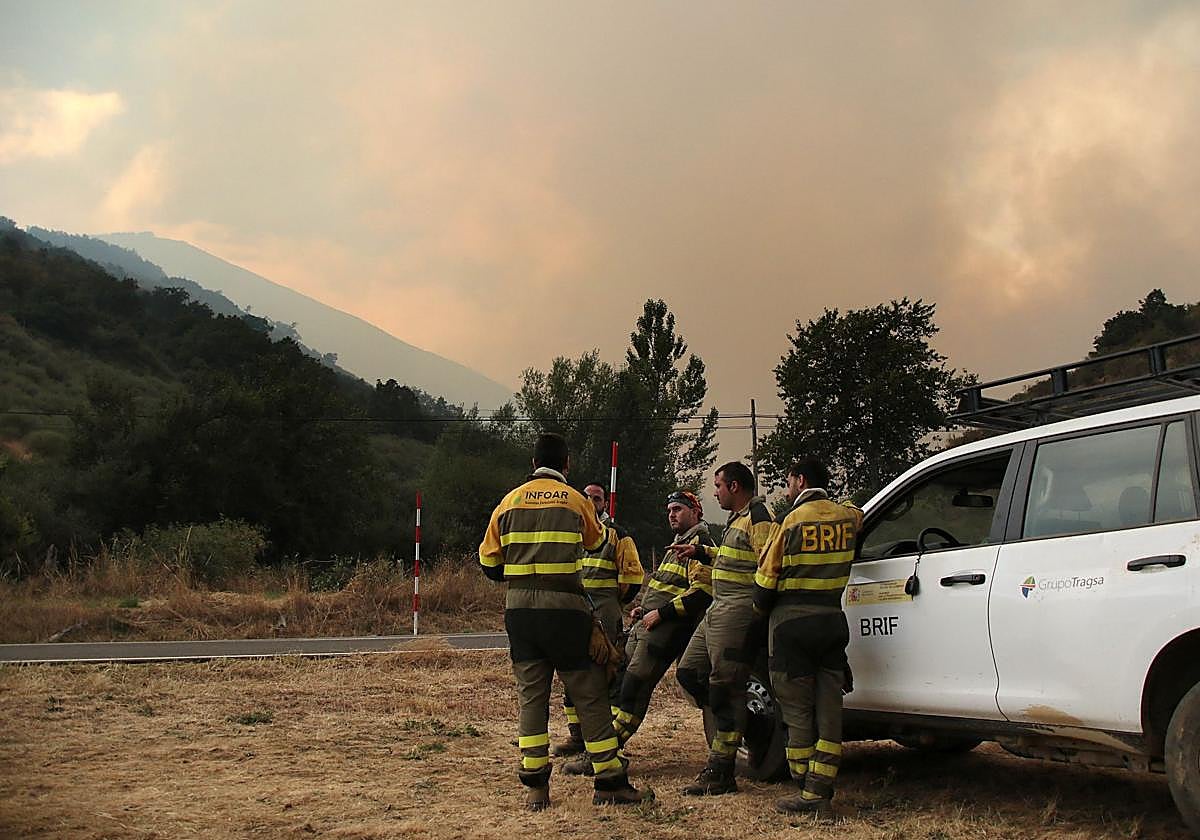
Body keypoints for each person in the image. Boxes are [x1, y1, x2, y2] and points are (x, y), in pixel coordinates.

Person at [479, 433, 646, 810]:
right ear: (566, 464)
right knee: (589, 693)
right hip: (566, 609)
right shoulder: (575, 500)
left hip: (519, 612)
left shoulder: (507, 503)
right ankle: (610, 782)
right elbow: (594, 542)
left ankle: (536, 789)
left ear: (532, 462)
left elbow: (489, 565)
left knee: (531, 698)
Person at [754, 456, 862, 817]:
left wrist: (759, 613)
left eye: (788, 482)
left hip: (792, 625)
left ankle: (806, 789)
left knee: (797, 709)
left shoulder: (790, 522)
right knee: (830, 709)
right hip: (833, 621)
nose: (787, 490)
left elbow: (765, 583)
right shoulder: (847, 517)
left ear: (800, 481)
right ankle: (823, 787)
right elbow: (859, 512)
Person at [674, 462, 775, 795]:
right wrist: (701, 551)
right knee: (688, 672)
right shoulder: (739, 520)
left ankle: (721, 770)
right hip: (718, 609)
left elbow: (768, 564)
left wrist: (757, 614)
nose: (714, 491)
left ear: (734, 486)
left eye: (717, 485)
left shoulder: (759, 518)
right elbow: (734, 557)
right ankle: (746, 723)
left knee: (725, 688)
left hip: (737, 611)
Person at [610, 489, 715, 750]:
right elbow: (664, 584)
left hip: (668, 627)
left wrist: (661, 613)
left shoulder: (700, 543)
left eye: (678, 509)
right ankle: (602, 744)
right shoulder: (678, 542)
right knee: (619, 680)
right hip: (646, 622)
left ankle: (607, 752)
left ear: (695, 511)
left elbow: (702, 592)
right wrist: (642, 608)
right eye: (669, 510)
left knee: (636, 685)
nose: (672, 515)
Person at [555, 483, 644, 765]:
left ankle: (606, 739)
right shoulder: (571, 531)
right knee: (571, 671)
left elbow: (632, 577)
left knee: (606, 674)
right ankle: (576, 736)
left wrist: (614, 606)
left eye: (597, 498)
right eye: (587, 498)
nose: (592, 502)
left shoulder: (618, 534)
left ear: (605, 503)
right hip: (574, 607)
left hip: (605, 607)